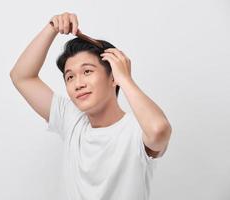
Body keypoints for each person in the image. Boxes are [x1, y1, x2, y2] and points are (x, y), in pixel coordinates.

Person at [10, 12, 172, 200]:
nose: (78, 83)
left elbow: (159, 130)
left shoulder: (136, 130)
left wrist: (125, 79)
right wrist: (52, 28)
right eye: (70, 77)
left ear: (113, 77)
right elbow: (21, 77)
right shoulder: (72, 120)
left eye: (87, 71)